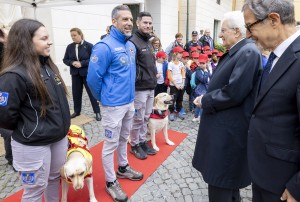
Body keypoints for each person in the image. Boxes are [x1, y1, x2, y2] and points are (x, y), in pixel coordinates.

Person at [192, 11, 261, 202]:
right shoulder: (241, 50)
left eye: (223, 30)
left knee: (221, 186)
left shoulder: (247, 52)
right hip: (225, 131)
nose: (220, 35)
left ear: (237, 31)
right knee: (226, 187)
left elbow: (233, 92)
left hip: (227, 135)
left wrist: (205, 100)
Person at [0, 18, 70, 201]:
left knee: (55, 179)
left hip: (57, 139)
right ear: (27, 41)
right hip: (32, 145)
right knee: (34, 191)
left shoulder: (46, 65)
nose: (50, 42)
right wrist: (31, 128)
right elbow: (5, 116)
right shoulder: (13, 75)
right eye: (44, 38)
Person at [243, 0, 300, 201]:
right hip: (264, 174)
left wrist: (297, 187)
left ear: (274, 20)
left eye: (250, 26)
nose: (248, 34)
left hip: (285, 185)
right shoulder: (275, 56)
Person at [87, 5, 143, 202]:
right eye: (124, 19)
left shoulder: (130, 46)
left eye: (130, 19)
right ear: (114, 22)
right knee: (110, 144)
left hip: (129, 102)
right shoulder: (104, 47)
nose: (128, 22)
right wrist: (103, 98)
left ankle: (122, 167)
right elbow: (93, 79)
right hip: (112, 106)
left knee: (124, 137)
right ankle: (111, 182)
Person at [129, 11, 158, 160]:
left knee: (146, 117)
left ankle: (142, 141)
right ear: (138, 23)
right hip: (139, 88)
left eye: (150, 23)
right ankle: (134, 144)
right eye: (145, 22)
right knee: (137, 119)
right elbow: (131, 67)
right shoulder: (133, 42)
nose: (148, 25)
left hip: (150, 86)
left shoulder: (147, 40)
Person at [63, 27, 101, 121]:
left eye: (75, 35)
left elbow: (94, 59)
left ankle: (97, 111)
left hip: (87, 73)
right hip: (75, 74)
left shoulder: (89, 46)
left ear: (80, 34)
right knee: (76, 93)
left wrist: (82, 63)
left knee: (92, 93)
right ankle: (77, 111)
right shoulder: (69, 47)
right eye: (71, 36)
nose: (73, 37)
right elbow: (65, 59)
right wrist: (72, 63)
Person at [167, 46, 186, 121]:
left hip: (181, 84)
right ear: (175, 53)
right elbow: (169, 76)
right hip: (174, 85)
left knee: (180, 99)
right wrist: (176, 85)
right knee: (172, 99)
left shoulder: (181, 63)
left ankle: (178, 111)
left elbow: (183, 73)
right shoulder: (170, 64)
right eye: (180, 53)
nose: (181, 54)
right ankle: (171, 112)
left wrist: (183, 83)